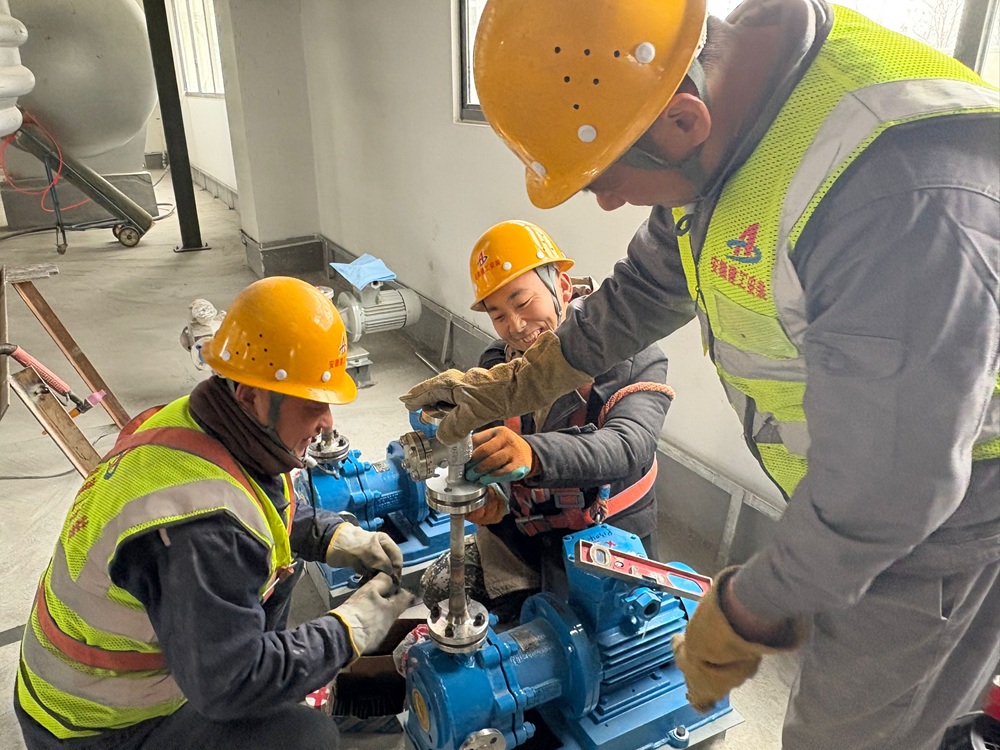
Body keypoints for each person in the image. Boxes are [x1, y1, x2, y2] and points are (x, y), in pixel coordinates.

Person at [402, 1, 1000, 748]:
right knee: (924, 707)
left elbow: (890, 485)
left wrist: (749, 606)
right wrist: (503, 389)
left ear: (682, 122)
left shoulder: (896, 201)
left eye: (607, 178)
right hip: (877, 483)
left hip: (948, 513)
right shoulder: (728, 110)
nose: (609, 200)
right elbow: (642, 293)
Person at [16, 277, 414, 750]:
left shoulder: (202, 420)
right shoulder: (199, 532)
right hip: (93, 726)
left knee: (282, 567)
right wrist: (348, 631)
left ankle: (270, 685)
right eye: (312, 403)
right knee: (306, 739)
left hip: (121, 676)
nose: (328, 422)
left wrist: (330, 535)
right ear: (249, 396)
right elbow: (228, 683)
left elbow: (260, 500)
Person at [420, 220, 673, 621]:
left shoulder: (635, 358)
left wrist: (534, 454)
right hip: (528, 539)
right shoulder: (499, 363)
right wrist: (494, 497)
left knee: (601, 640)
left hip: (606, 548)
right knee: (441, 587)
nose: (516, 327)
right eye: (498, 315)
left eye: (523, 303)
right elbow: (488, 446)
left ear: (563, 287)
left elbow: (629, 446)